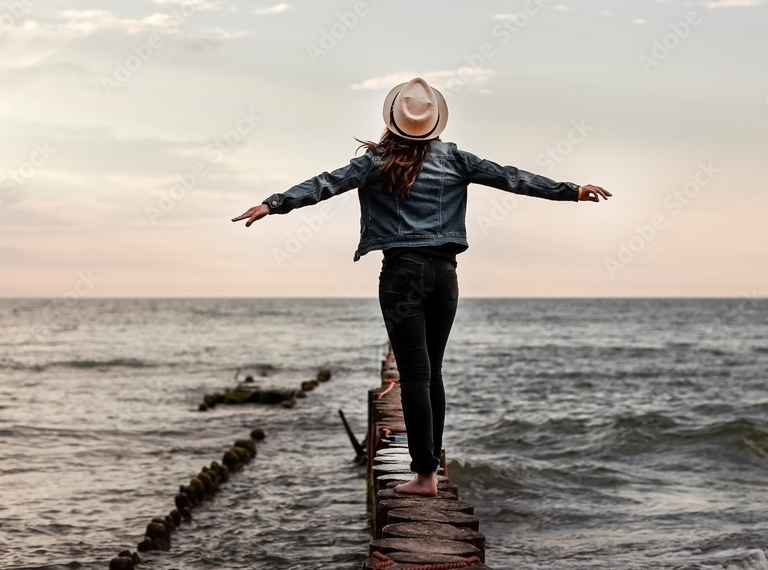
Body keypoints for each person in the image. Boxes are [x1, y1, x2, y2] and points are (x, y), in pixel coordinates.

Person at [232, 76, 612, 496]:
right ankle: (428, 472)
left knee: (414, 375)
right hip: (444, 276)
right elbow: (513, 178)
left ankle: (424, 476)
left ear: (393, 121)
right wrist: (573, 191)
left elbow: (324, 183)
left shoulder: (374, 162)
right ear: (434, 124)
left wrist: (275, 203)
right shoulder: (456, 160)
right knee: (432, 374)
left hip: (401, 275)